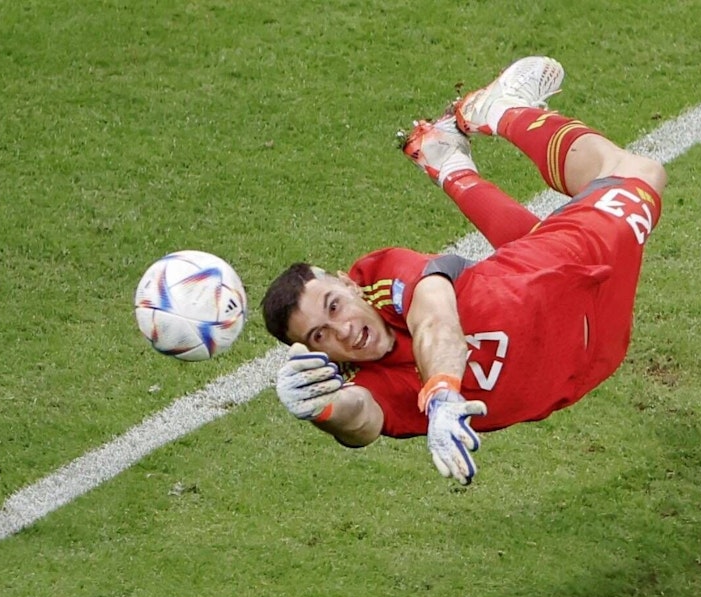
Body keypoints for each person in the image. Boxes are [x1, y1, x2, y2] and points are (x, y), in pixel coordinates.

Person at [262, 57, 667, 485]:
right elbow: (359, 421)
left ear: (348, 284)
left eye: (334, 306)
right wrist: (321, 409)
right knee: (532, 241)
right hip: (593, 352)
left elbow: (434, 319)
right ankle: (443, 157)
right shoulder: (375, 386)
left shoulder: (384, 275)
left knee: (639, 173)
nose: (342, 330)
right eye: (320, 336)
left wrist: (441, 391)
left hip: (565, 267)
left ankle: (502, 109)